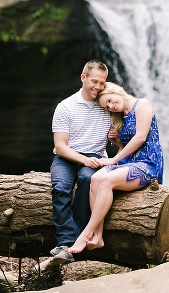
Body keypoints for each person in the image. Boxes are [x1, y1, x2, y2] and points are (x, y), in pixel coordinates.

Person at [67, 82, 164, 254]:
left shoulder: (143, 104)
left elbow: (141, 138)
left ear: (117, 91)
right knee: (95, 179)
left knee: (106, 180)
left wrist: (113, 159)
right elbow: (128, 147)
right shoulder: (123, 117)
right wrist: (117, 142)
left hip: (148, 164)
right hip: (129, 163)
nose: (111, 106)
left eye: (110, 100)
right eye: (108, 106)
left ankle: (85, 234)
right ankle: (98, 237)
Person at [48, 60, 112, 265]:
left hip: (95, 156)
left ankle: (79, 237)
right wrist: (85, 159)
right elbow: (60, 146)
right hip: (67, 157)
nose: (98, 87)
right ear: (83, 78)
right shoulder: (65, 106)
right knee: (60, 187)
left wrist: (115, 138)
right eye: (94, 81)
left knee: (87, 179)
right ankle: (66, 242)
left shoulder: (106, 105)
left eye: (102, 83)